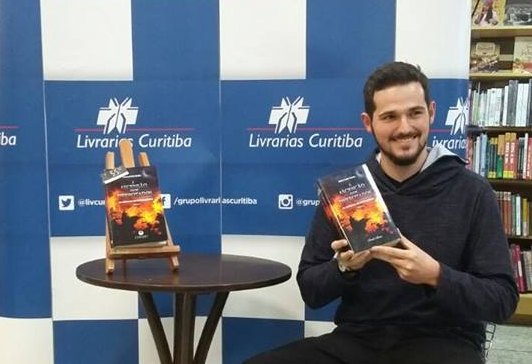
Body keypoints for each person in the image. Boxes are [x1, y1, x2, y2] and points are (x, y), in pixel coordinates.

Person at [243, 62, 519, 364]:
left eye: (415, 113)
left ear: (432, 112)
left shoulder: (472, 191)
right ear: (368, 122)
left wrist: (436, 275)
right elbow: (311, 289)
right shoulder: (347, 192)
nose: (404, 128)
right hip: (357, 341)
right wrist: (344, 268)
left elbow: (502, 300)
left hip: (443, 341)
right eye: (389, 117)